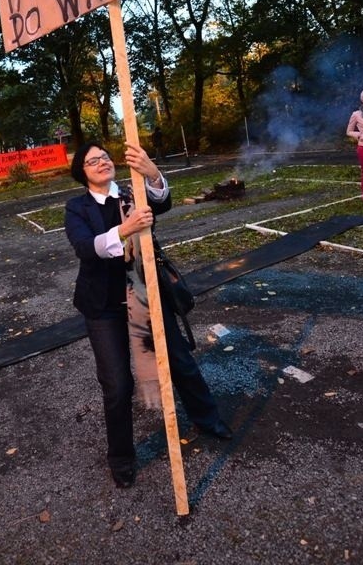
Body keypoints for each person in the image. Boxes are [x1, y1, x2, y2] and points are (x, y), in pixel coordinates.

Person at [64, 141, 232, 489]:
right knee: (117, 385)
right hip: (104, 305)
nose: (102, 163)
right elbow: (85, 247)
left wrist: (151, 170)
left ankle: (209, 421)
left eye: (105, 157)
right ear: (82, 172)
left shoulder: (131, 191)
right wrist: (125, 230)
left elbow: (163, 201)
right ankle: (122, 457)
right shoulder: (76, 207)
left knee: (180, 362)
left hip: (146, 293)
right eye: (93, 161)